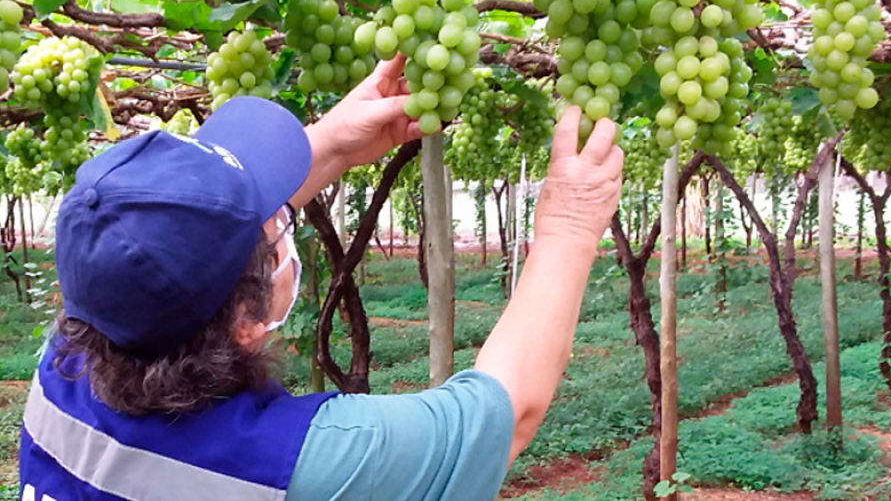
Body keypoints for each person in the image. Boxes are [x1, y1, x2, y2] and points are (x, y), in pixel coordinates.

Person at [19, 55, 623, 501]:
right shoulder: (304, 465)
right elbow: (507, 410)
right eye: (276, 230)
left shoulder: (68, 360)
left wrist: (331, 142)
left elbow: (172, 253)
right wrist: (569, 224)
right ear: (247, 323)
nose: (283, 223)